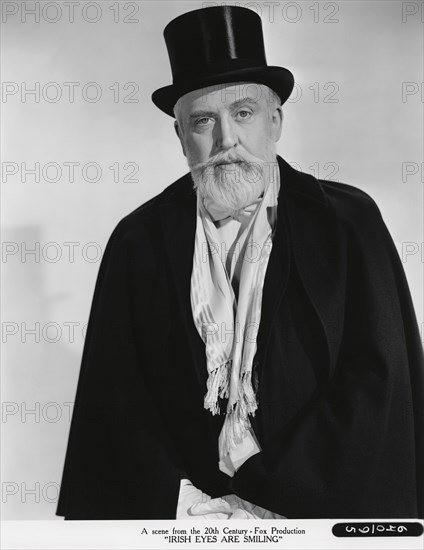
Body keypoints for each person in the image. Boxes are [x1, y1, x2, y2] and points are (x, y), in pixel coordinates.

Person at [56, 6, 424, 520]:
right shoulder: (136, 241)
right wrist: (182, 501)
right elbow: (116, 398)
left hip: (316, 510)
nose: (226, 140)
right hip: (194, 514)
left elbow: (379, 379)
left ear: (275, 122)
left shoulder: (347, 223)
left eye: (244, 113)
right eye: (203, 121)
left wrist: (278, 491)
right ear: (181, 138)